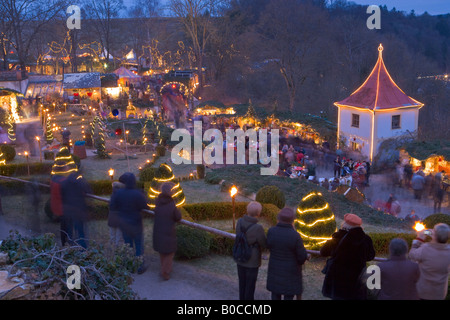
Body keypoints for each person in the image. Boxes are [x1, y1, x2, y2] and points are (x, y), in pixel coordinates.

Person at [320, 213, 375, 300]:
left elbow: (323, 252)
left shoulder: (337, 238)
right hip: (357, 280)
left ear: (344, 224)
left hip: (338, 280)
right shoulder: (366, 239)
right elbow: (370, 256)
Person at [110, 172, 148, 273]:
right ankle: (140, 266)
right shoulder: (137, 194)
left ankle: (130, 266)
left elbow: (112, 206)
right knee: (139, 245)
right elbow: (145, 206)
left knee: (128, 245)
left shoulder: (119, 193)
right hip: (136, 224)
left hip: (124, 224)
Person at [266, 208, 307, 300]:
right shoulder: (295, 235)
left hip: (275, 270)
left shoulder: (271, 231)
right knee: (289, 296)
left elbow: (268, 245)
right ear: (292, 220)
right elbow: (301, 257)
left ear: (279, 218)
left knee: (275, 295)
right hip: (291, 274)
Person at [409, 223, 450, 300]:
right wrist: (435, 238)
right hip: (438, 294)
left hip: (423, 293)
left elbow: (412, 254)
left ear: (435, 236)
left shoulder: (426, 248)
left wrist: (419, 239)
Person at [235, 201, 267, 300]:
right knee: (250, 287)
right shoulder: (258, 228)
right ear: (258, 213)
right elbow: (264, 244)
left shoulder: (240, 221)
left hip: (240, 257)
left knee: (242, 284)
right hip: (252, 261)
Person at [153, 182, 182, 280]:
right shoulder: (171, 203)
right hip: (168, 231)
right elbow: (177, 217)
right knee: (170, 252)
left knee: (162, 251)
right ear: (170, 192)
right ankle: (165, 271)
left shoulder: (158, 201)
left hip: (158, 230)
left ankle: (165, 270)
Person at [60, 172, 92, 249]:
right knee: (80, 231)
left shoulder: (64, 183)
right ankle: (83, 249)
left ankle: (70, 248)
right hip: (78, 210)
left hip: (68, 210)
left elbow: (62, 195)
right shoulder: (80, 183)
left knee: (69, 231)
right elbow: (89, 191)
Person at [108, 181, 125, 247]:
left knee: (112, 235)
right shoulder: (122, 194)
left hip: (112, 216)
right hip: (119, 216)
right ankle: (118, 250)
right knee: (119, 236)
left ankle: (112, 248)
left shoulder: (112, 195)